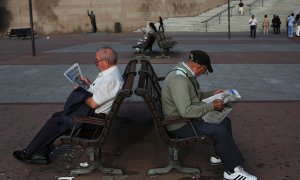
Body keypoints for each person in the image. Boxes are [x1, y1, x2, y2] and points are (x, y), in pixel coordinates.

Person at [13, 46, 124, 164]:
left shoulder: (110, 79)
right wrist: (88, 85)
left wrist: (80, 91)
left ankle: (29, 152)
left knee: (56, 121)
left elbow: (93, 103)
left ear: (106, 62)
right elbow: (101, 93)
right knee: (57, 116)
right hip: (93, 115)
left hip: (93, 121)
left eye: (96, 60)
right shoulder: (110, 74)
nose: (95, 63)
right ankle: (42, 152)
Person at [161, 50, 257, 180]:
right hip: (179, 124)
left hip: (184, 119)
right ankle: (232, 171)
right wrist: (212, 106)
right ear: (199, 67)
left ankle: (220, 155)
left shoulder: (184, 74)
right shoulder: (179, 80)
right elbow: (186, 111)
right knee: (220, 131)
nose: (203, 74)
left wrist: (212, 93)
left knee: (225, 121)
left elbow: (195, 97)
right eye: (205, 71)